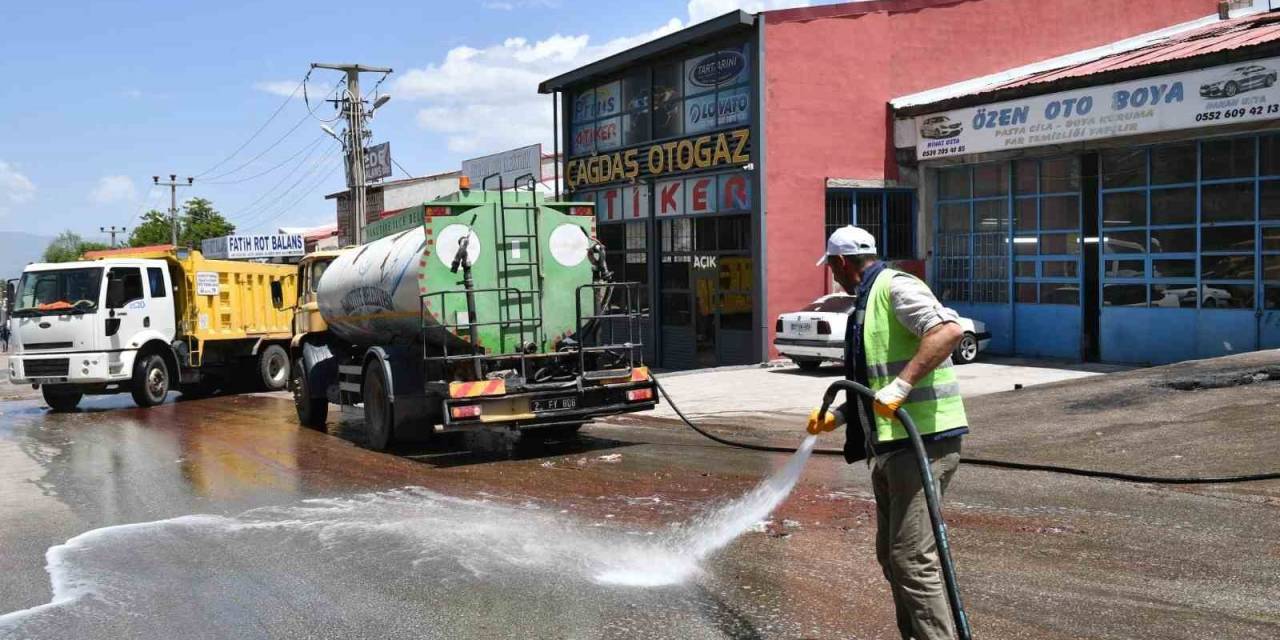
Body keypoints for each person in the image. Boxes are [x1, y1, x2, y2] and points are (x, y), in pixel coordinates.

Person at [806, 225, 968, 640]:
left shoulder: (896, 287)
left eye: (834, 268)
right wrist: (841, 416)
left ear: (843, 263)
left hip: (925, 443)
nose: (834, 277)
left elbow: (948, 331)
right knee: (891, 555)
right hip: (890, 445)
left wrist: (903, 385)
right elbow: (875, 378)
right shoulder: (865, 302)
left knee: (911, 556)